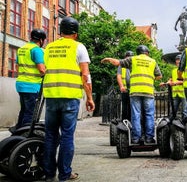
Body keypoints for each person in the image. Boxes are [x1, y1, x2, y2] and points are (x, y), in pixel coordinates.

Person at [43, 17, 95, 182]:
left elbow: (44, 70)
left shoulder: (49, 47)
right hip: (70, 97)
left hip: (51, 97)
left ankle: (49, 173)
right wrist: (89, 98)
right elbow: (85, 75)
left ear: (60, 31)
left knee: (50, 135)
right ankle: (64, 174)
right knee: (67, 136)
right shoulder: (79, 47)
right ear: (76, 33)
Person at [101, 45, 162, 144]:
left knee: (136, 115)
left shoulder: (133, 60)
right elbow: (159, 76)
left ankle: (135, 138)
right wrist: (150, 79)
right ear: (147, 53)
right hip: (148, 91)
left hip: (135, 91)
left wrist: (108, 59)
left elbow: (117, 62)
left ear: (137, 52)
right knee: (149, 115)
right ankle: (149, 138)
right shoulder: (152, 61)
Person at [12, 29, 46, 132]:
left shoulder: (22, 49)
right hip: (32, 85)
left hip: (20, 84)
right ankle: (24, 134)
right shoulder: (36, 50)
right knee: (30, 113)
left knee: (24, 110)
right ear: (41, 40)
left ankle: (18, 130)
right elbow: (41, 69)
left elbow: (17, 67)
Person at [160, 54, 187, 121]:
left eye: (179, 60)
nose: (178, 62)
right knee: (172, 112)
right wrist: (165, 83)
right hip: (175, 94)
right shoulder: (173, 71)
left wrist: (175, 83)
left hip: (184, 94)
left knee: (185, 112)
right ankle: (171, 126)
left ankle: (186, 127)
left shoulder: (186, 70)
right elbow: (170, 80)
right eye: (177, 60)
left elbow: (186, 81)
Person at [117, 51, 133, 120]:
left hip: (134, 90)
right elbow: (118, 76)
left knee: (133, 108)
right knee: (125, 108)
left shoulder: (134, 64)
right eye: (128, 57)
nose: (129, 58)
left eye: (130, 57)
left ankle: (132, 122)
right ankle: (124, 122)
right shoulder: (121, 65)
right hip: (125, 90)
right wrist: (121, 86)